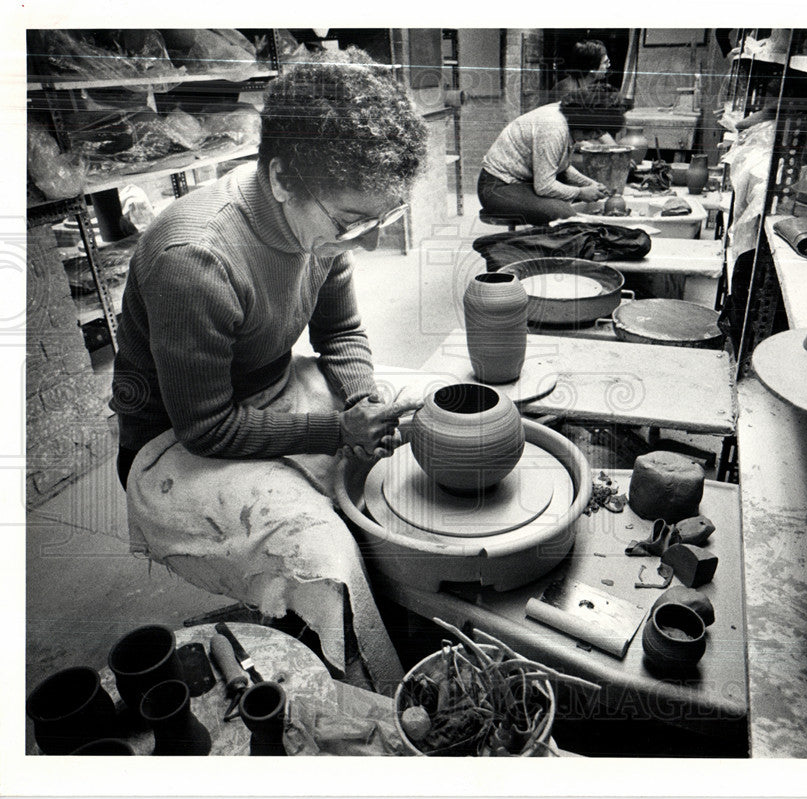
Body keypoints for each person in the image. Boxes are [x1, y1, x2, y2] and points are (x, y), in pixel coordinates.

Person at [109, 49, 427, 692]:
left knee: (406, 440)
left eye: (382, 219)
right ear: (281, 177)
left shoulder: (321, 232)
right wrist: (338, 432)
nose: (367, 241)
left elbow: (340, 332)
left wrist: (364, 406)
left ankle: (394, 611)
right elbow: (207, 427)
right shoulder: (194, 257)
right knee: (325, 559)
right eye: (353, 221)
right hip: (174, 445)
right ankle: (365, 692)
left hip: (271, 388)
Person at [478, 86, 627, 225]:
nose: (595, 137)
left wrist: (589, 184)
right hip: (497, 187)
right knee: (564, 214)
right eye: (597, 131)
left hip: (525, 182)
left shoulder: (568, 118)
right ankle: (520, 249)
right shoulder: (553, 127)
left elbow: (561, 167)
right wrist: (581, 192)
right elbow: (544, 186)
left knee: (570, 207)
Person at [549, 39, 611, 103]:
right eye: (605, 62)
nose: (609, 65)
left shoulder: (594, 86)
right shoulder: (565, 90)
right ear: (591, 68)